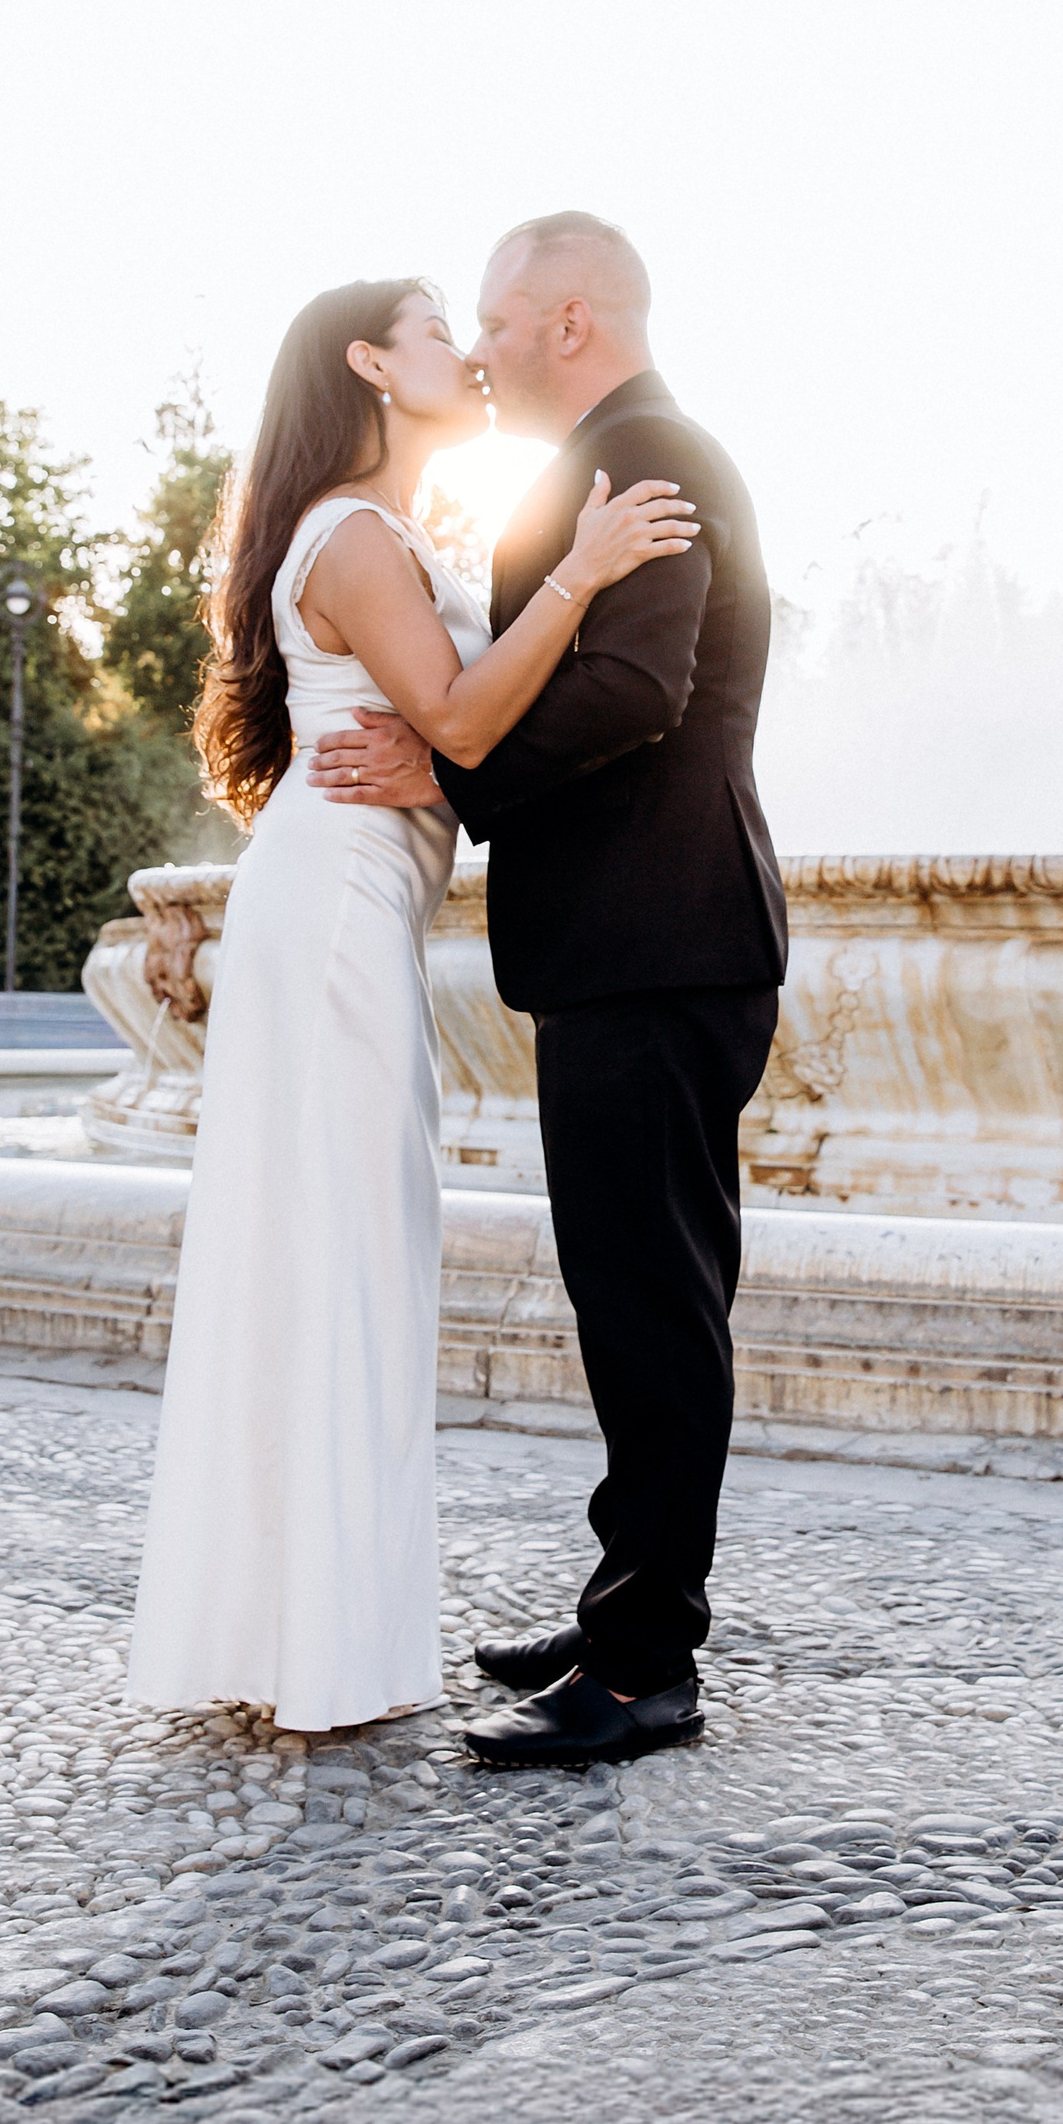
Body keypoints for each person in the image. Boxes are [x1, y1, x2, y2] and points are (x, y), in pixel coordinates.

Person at [125, 276, 698, 1735]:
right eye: (439, 329)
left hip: (348, 910)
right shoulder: (357, 533)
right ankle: (319, 1647)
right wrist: (584, 570)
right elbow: (454, 716)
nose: (463, 353)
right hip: (329, 923)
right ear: (374, 363)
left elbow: (442, 739)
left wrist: (451, 760)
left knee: (341, 1254)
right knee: (344, 1256)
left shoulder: (363, 531)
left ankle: (304, 1632)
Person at [307, 213, 786, 1766]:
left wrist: (456, 751)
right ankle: (621, 1607)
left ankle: (648, 1662)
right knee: (632, 1296)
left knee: (653, 1306)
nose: (489, 353)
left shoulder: (649, 457)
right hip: (636, 945)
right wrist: (455, 745)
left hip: (662, 939)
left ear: (567, 320)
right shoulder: (624, 453)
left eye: (500, 324)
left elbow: (640, 688)